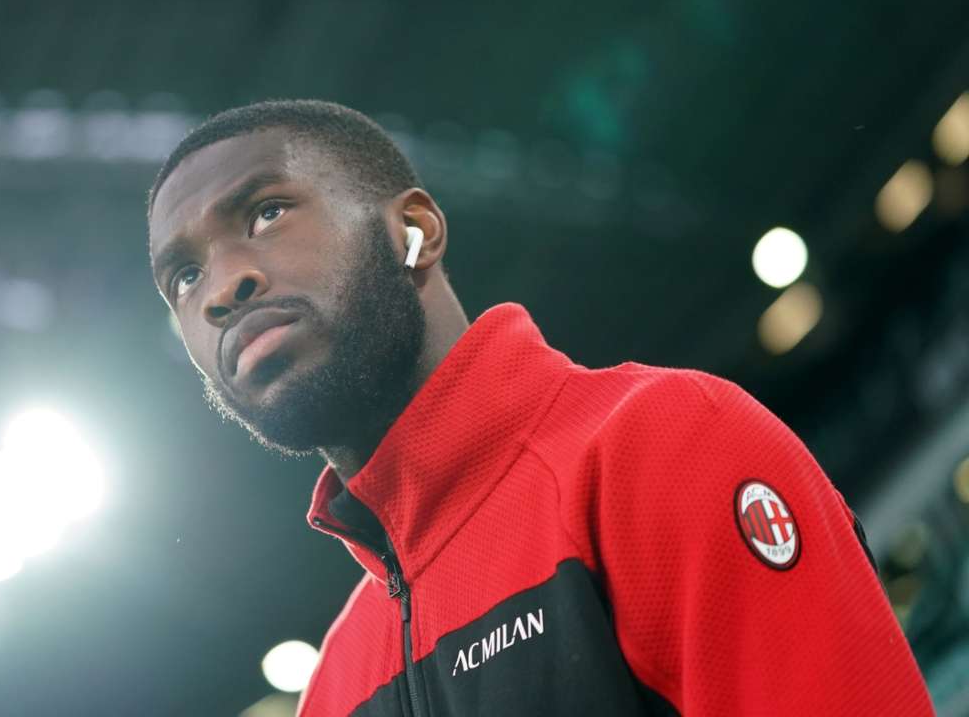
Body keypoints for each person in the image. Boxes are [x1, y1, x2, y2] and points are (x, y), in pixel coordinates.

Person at [145, 99, 933, 716]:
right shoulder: (334, 688)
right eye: (183, 276)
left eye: (266, 214)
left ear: (413, 231)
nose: (221, 289)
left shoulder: (664, 442)